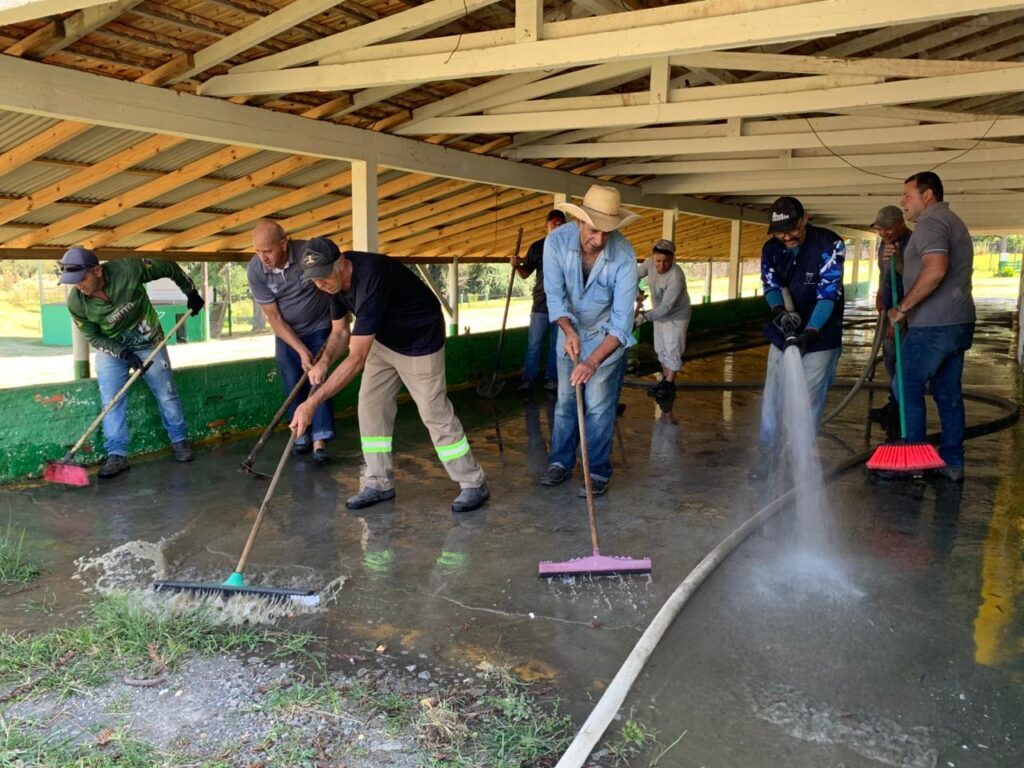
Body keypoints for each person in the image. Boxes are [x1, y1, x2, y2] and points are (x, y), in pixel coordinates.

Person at [290, 238, 490, 513]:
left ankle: (472, 482)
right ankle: (378, 482)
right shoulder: (332, 284)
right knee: (371, 407)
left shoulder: (372, 277)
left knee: (435, 413)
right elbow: (339, 333)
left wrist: (311, 404)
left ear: (341, 264)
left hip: (419, 340)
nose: (320, 284)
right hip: (383, 340)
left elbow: (356, 358)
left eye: (322, 276)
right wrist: (323, 361)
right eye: (314, 280)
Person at [59, 246, 204, 478]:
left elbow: (168, 266)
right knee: (111, 400)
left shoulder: (129, 268)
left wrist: (191, 293)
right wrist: (123, 353)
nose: (78, 285)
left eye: (81, 278)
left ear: (97, 270)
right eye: (72, 280)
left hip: (149, 342)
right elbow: (93, 336)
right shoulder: (76, 302)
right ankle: (116, 455)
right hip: (113, 350)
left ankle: (180, 441)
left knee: (166, 392)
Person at [539, 184, 639, 497]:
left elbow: (622, 323)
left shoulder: (624, 256)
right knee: (567, 401)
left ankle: (596, 471)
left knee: (598, 406)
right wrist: (568, 331)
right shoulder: (555, 242)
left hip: (604, 339)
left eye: (606, 233)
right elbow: (554, 296)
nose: (598, 240)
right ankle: (560, 461)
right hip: (568, 333)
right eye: (593, 231)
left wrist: (593, 361)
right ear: (580, 222)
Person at [749, 196, 845, 481]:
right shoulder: (772, 249)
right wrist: (779, 312)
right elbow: (771, 285)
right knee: (773, 396)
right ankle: (768, 452)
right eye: (779, 231)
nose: (786, 236)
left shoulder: (829, 245)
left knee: (807, 399)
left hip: (821, 334)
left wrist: (809, 333)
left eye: (791, 228)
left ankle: (798, 457)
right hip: (784, 332)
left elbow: (828, 295)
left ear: (805, 219)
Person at [890, 171, 975, 482]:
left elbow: (936, 270)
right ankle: (952, 463)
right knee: (947, 393)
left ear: (927, 196)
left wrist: (902, 308)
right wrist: (899, 261)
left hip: (933, 325)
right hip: (957, 321)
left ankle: (914, 459)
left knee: (905, 385)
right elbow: (923, 268)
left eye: (907, 195)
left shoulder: (930, 222)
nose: (903, 202)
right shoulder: (951, 220)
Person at [248, 220, 346, 462]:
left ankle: (320, 440)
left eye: (268, 251)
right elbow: (273, 316)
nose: (263, 257)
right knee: (292, 381)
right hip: (287, 334)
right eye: (258, 251)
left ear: (283, 244)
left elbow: (331, 287)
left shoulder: (307, 254)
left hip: (320, 326)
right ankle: (300, 435)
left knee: (317, 380)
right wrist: (301, 350)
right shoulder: (256, 270)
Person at [512, 209, 566, 393]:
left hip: (562, 306)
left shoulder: (570, 247)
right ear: (547, 225)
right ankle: (528, 379)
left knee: (556, 347)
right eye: (554, 224)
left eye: (561, 224)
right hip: (541, 304)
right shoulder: (537, 247)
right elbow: (525, 273)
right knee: (534, 345)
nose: (558, 227)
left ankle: (551, 379)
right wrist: (516, 265)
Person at [870, 205, 912, 429]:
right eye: (879, 229)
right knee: (890, 359)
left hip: (906, 312)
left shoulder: (913, 243)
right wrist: (879, 294)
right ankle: (894, 403)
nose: (883, 234)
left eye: (888, 229)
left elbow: (916, 278)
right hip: (888, 309)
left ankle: (901, 408)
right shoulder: (882, 246)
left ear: (900, 224)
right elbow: (883, 272)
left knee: (902, 362)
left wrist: (903, 316)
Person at [635, 238, 692, 400]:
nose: (661, 265)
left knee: (672, 349)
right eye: (658, 261)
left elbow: (667, 307)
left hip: (676, 316)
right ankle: (667, 382)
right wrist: (635, 290)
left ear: (673, 259)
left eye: (666, 261)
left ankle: (668, 383)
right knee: (660, 348)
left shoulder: (676, 276)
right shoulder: (649, 263)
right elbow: (634, 275)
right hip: (658, 314)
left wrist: (642, 317)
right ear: (653, 257)